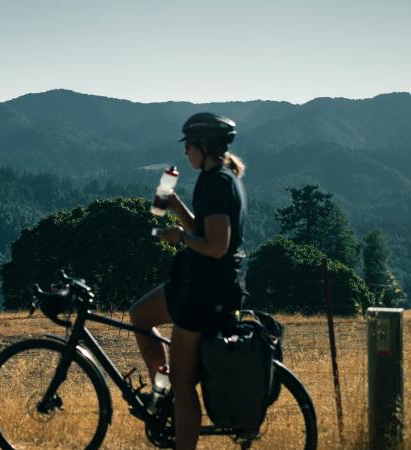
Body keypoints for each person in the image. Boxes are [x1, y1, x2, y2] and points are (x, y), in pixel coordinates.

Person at [130, 112, 248, 450]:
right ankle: (160, 389)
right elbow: (206, 229)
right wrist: (176, 204)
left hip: (204, 293)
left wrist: (180, 238)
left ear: (203, 147)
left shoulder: (215, 183)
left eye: (189, 146)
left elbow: (216, 245)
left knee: (184, 386)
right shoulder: (219, 177)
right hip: (198, 283)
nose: (185, 153)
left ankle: (172, 395)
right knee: (139, 314)